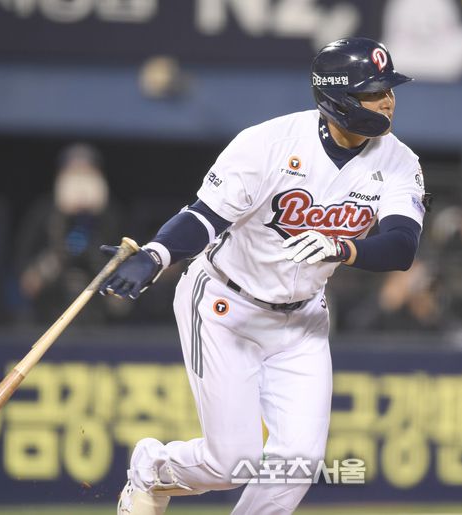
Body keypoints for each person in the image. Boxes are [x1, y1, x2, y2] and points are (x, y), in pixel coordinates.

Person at [102, 37, 428, 515]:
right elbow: (204, 216)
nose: (388, 101)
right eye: (373, 92)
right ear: (337, 98)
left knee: (297, 465)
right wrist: (155, 255)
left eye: (389, 90)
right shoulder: (269, 144)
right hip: (226, 306)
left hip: (302, 322)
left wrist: (344, 247)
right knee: (230, 464)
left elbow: (401, 246)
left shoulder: (398, 160)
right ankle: (151, 469)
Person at [15, 143, 121, 324]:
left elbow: (122, 299)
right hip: (48, 314)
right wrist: (55, 257)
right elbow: (25, 278)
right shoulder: (44, 213)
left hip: (101, 319)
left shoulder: (111, 216)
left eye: (86, 173)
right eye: (74, 173)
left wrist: (96, 257)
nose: (80, 182)